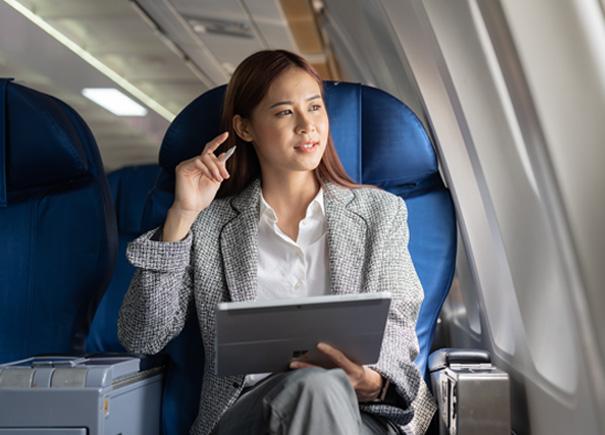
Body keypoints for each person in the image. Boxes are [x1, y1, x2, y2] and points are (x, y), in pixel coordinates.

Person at [118, 49, 436, 435]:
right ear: (246, 128)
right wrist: (182, 215)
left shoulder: (379, 213)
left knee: (321, 388)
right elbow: (143, 334)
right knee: (311, 387)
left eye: (315, 108)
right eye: (285, 112)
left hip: (358, 412)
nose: (307, 126)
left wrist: (372, 382)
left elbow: (398, 322)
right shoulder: (209, 224)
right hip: (250, 418)